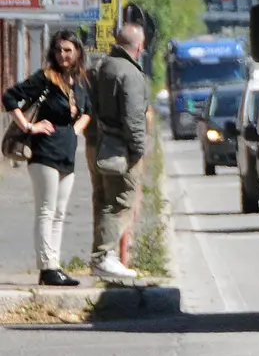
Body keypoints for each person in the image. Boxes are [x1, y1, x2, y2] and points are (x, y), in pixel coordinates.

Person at [2, 30, 92, 286]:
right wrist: (29, 127)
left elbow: (88, 111)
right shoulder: (45, 78)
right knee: (46, 210)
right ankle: (47, 267)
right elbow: (10, 97)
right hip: (44, 152)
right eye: (59, 50)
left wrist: (75, 131)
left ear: (77, 52)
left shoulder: (80, 80)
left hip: (67, 152)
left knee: (60, 212)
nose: (63, 55)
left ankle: (55, 264)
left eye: (68, 50)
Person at [89, 22, 150, 280]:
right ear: (140, 46)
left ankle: (102, 256)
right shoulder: (130, 73)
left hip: (100, 143)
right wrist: (138, 151)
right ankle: (105, 256)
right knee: (120, 201)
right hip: (120, 148)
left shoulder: (103, 66)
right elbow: (134, 118)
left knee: (103, 199)